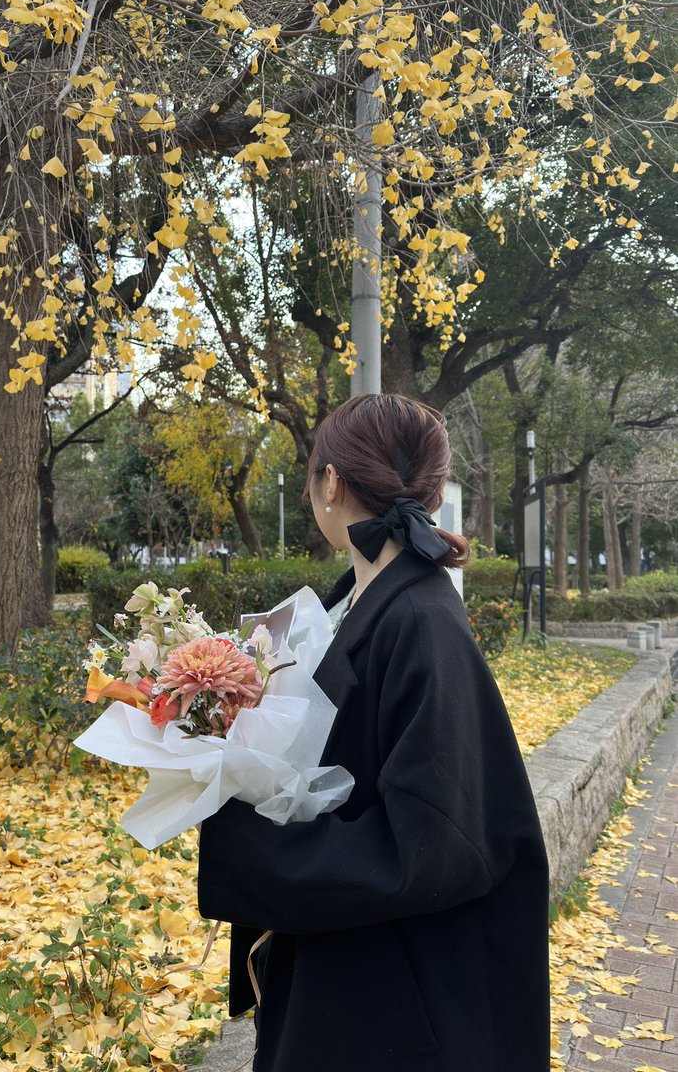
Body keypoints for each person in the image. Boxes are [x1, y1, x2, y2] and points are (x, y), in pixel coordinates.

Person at [197, 393, 550, 1071]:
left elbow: (432, 843)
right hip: (351, 961)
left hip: (392, 1002)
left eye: (311, 477)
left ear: (330, 482)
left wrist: (253, 839)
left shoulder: (420, 620)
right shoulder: (358, 601)